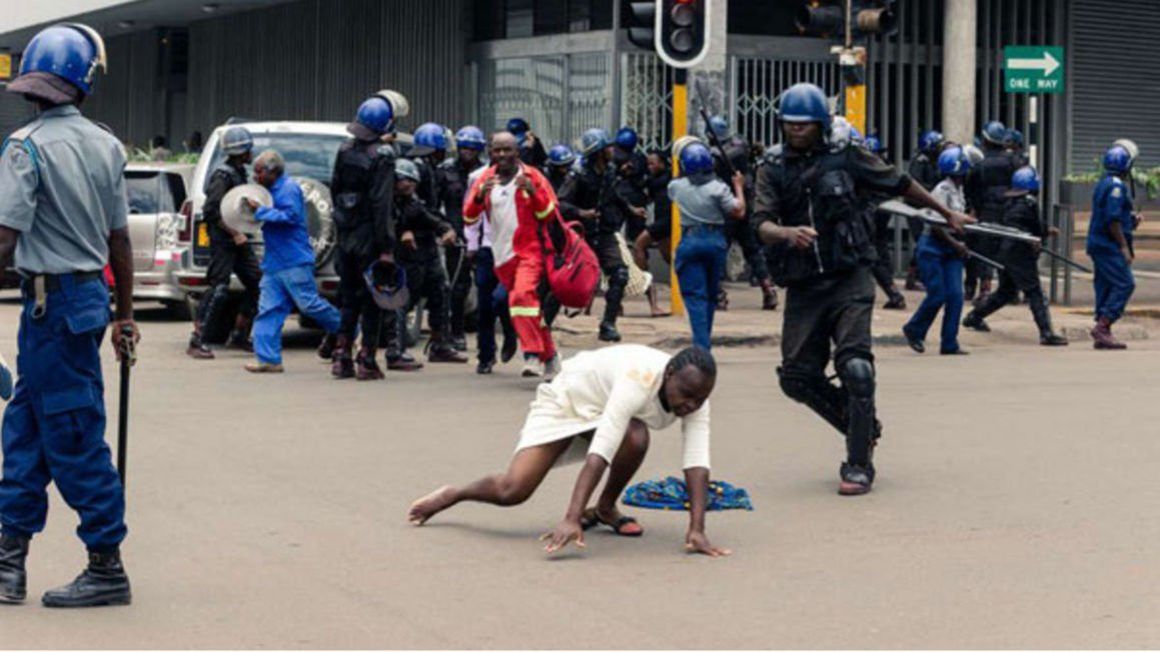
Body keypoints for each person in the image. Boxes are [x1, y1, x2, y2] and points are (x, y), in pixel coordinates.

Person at [753, 83, 973, 496]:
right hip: (804, 284)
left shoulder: (848, 156)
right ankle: (862, 424)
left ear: (820, 124)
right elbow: (760, 222)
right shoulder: (772, 166)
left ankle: (858, 463)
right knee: (796, 378)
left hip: (850, 277)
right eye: (789, 124)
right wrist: (785, 233)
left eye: (804, 125)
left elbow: (901, 184)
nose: (796, 131)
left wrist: (946, 214)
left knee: (856, 368)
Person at [0, 23, 137, 607]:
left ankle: (107, 567)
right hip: (79, 305)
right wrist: (124, 316)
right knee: (25, 435)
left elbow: (4, 241)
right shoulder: (106, 145)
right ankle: (9, 562)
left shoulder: (24, 147)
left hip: (50, 309)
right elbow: (120, 242)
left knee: (75, 438)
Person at [407, 345, 729, 557]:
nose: (692, 404)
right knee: (513, 490)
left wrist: (697, 530)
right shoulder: (638, 379)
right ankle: (454, 494)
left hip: (605, 412)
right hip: (569, 400)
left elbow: (696, 462)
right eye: (686, 394)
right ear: (669, 375)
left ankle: (604, 508)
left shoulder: (696, 398)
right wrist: (570, 518)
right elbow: (602, 449)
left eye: (700, 398)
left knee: (636, 436)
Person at [463, 132, 561, 378]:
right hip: (500, 255)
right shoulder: (484, 178)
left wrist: (534, 193)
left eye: (507, 150)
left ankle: (532, 355)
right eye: (497, 150)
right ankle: (550, 355)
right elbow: (469, 216)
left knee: (521, 298)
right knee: (527, 306)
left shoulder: (532, 176)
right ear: (490, 152)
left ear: (517, 152)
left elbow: (549, 213)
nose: (502, 155)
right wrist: (479, 196)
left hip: (530, 252)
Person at [245, 150, 342, 373]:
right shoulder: (267, 192)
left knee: (309, 305)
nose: (255, 176)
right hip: (274, 263)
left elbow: (290, 217)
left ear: (272, 171)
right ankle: (268, 359)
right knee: (268, 309)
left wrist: (261, 212)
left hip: (294, 260)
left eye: (259, 171)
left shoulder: (288, 189)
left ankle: (350, 332)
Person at [329, 96, 399, 380]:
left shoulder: (344, 149)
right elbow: (382, 204)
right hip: (369, 236)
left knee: (348, 298)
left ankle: (341, 355)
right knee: (373, 299)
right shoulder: (382, 156)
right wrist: (386, 248)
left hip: (346, 234)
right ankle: (366, 358)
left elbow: (335, 189)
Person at [962, 167, 1068, 346]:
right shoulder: (1029, 202)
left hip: (1004, 251)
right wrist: (1045, 232)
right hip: (1020, 252)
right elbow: (1036, 227)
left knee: (1006, 291)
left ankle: (974, 316)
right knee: (1034, 291)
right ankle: (1046, 332)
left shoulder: (1007, 201)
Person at [186, 126, 261, 359]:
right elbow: (212, 211)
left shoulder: (238, 172)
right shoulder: (222, 175)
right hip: (224, 240)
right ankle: (197, 340)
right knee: (218, 288)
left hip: (238, 239)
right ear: (242, 152)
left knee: (258, 284)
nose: (251, 154)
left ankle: (240, 334)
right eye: (248, 149)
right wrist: (233, 233)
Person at [667, 140, 746, 350]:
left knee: (695, 298)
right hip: (715, 241)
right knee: (711, 296)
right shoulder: (718, 188)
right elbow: (739, 211)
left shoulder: (676, 187)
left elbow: (679, 179)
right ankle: (704, 342)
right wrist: (738, 186)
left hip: (691, 240)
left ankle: (702, 347)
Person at [558, 128, 631, 342]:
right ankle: (545, 319)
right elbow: (561, 203)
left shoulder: (609, 171)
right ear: (599, 151)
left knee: (620, 274)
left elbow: (613, 196)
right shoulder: (578, 174)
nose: (612, 150)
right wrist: (582, 213)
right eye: (608, 147)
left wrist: (631, 209)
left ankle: (608, 324)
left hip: (604, 231)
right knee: (563, 280)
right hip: (581, 235)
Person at [394, 158, 468, 364]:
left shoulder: (416, 201)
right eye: (401, 179)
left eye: (411, 180)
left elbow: (429, 216)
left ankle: (440, 345)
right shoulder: (386, 202)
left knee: (440, 293)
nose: (406, 184)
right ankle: (395, 350)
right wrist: (401, 231)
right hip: (403, 258)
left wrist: (446, 229)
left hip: (427, 254)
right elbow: (384, 223)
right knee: (402, 301)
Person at [902, 146, 972, 355]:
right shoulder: (941, 190)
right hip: (933, 246)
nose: (959, 178)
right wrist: (956, 244)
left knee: (955, 296)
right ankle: (914, 329)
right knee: (937, 294)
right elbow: (935, 225)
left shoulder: (959, 190)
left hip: (952, 250)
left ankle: (949, 342)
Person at [708, 114, 778, 312]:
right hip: (744, 204)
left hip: (731, 206)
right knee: (752, 249)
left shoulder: (722, 152)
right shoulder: (738, 145)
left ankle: (719, 295)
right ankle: (768, 288)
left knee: (721, 251)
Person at [436, 126, 488, 352]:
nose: (468, 152)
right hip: (456, 235)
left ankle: (484, 334)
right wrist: (444, 229)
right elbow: (434, 204)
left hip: (484, 234)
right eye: (464, 147)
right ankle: (456, 332)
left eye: (473, 148)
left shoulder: (488, 172)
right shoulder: (445, 171)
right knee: (457, 287)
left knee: (486, 285)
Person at [1087, 143, 1140, 350]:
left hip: (1099, 243)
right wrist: (1124, 247)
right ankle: (1103, 325)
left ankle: (1103, 331)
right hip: (1108, 245)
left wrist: (1131, 220)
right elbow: (1112, 220)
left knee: (1105, 284)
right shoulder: (1116, 186)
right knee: (1124, 283)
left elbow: (1114, 216)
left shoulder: (1104, 183)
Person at [964, 120, 1016, 303]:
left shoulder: (980, 163)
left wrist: (975, 209)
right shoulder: (1013, 161)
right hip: (1009, 212)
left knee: (983, 251)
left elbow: (970, 189)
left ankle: (981, 289)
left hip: (986, 211)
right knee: (1007, 249)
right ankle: (1009, 290)